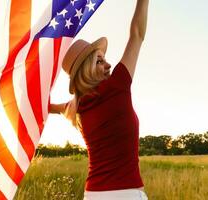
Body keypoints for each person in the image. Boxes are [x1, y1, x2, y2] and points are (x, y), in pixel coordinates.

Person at [50, 0, 149, 199]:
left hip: (92, 195)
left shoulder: (77, 107)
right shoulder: (117, 84)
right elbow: (137, 34)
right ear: (85, 70)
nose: (108, 65)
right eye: (100, 61)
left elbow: (49, 107)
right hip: (126, 194)